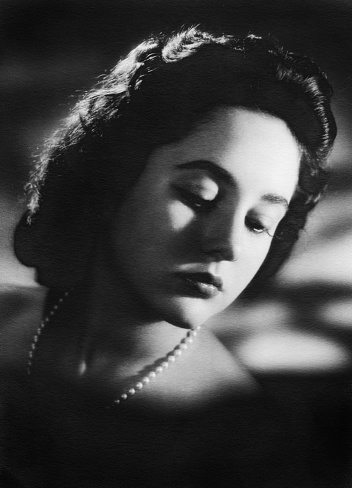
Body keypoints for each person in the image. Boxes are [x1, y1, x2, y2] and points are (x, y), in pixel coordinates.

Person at [0, 27, 344, 487]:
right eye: (199, 196)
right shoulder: (5, 317)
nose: (227, 244)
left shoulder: (247, 451)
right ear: (112, 178)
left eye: (259, 222)